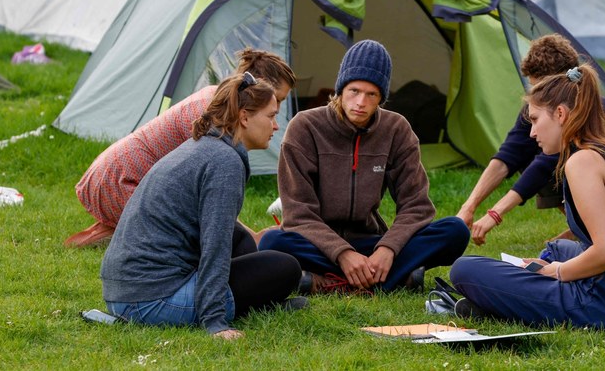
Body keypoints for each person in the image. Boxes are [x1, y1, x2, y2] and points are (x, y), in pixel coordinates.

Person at [449, 65, 605, 328]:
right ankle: (514, 295)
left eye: (534, 120)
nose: (531, 133)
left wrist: (554, 272)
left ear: (560, 113)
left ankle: (507, 299)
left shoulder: (582, 163)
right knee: (557, 249)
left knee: (465, 270)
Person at [100, 73, 304, 339]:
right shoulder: (224, 162)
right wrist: (215, 322)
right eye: (271, 116)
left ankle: (259, 302)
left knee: (241, 239)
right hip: (150, 301)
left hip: (124, 293)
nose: (276, 126)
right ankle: (236, 306)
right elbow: (214, 245)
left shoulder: (204, 146)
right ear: (244, 117)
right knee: (285, 268)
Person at [259, 40, 470, 293]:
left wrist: (387, 249)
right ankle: (391, 279)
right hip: (318, 244)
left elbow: (417, 206)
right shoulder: (304, 127)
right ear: (340, 89)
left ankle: (329, 283)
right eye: (354, 91)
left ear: (382, 97)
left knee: (455, 231)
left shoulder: (396, 129)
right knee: (272, 242)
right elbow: (298, 213)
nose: (361, 102)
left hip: (371, 242)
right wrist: (343, 254)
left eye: (372, 94)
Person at [66, 48, 296, 248]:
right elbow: (209, 202)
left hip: (114, 173)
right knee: (186, 233)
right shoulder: (215, 118)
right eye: (277, 99)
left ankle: (113, 230)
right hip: (120, 180)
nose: (277, 109)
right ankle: (125, 229)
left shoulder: (219, 101)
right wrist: (252, 237)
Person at [456, 34, 605, 246]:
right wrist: (469, 207)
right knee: (530, 153)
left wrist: (494, 214)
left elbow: (543, 167)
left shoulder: (587, 110)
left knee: (552, 165)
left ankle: (590, 230)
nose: (535, 93)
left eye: (540, 86)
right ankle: (583, 227)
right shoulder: (542, 106)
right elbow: (510, 154)